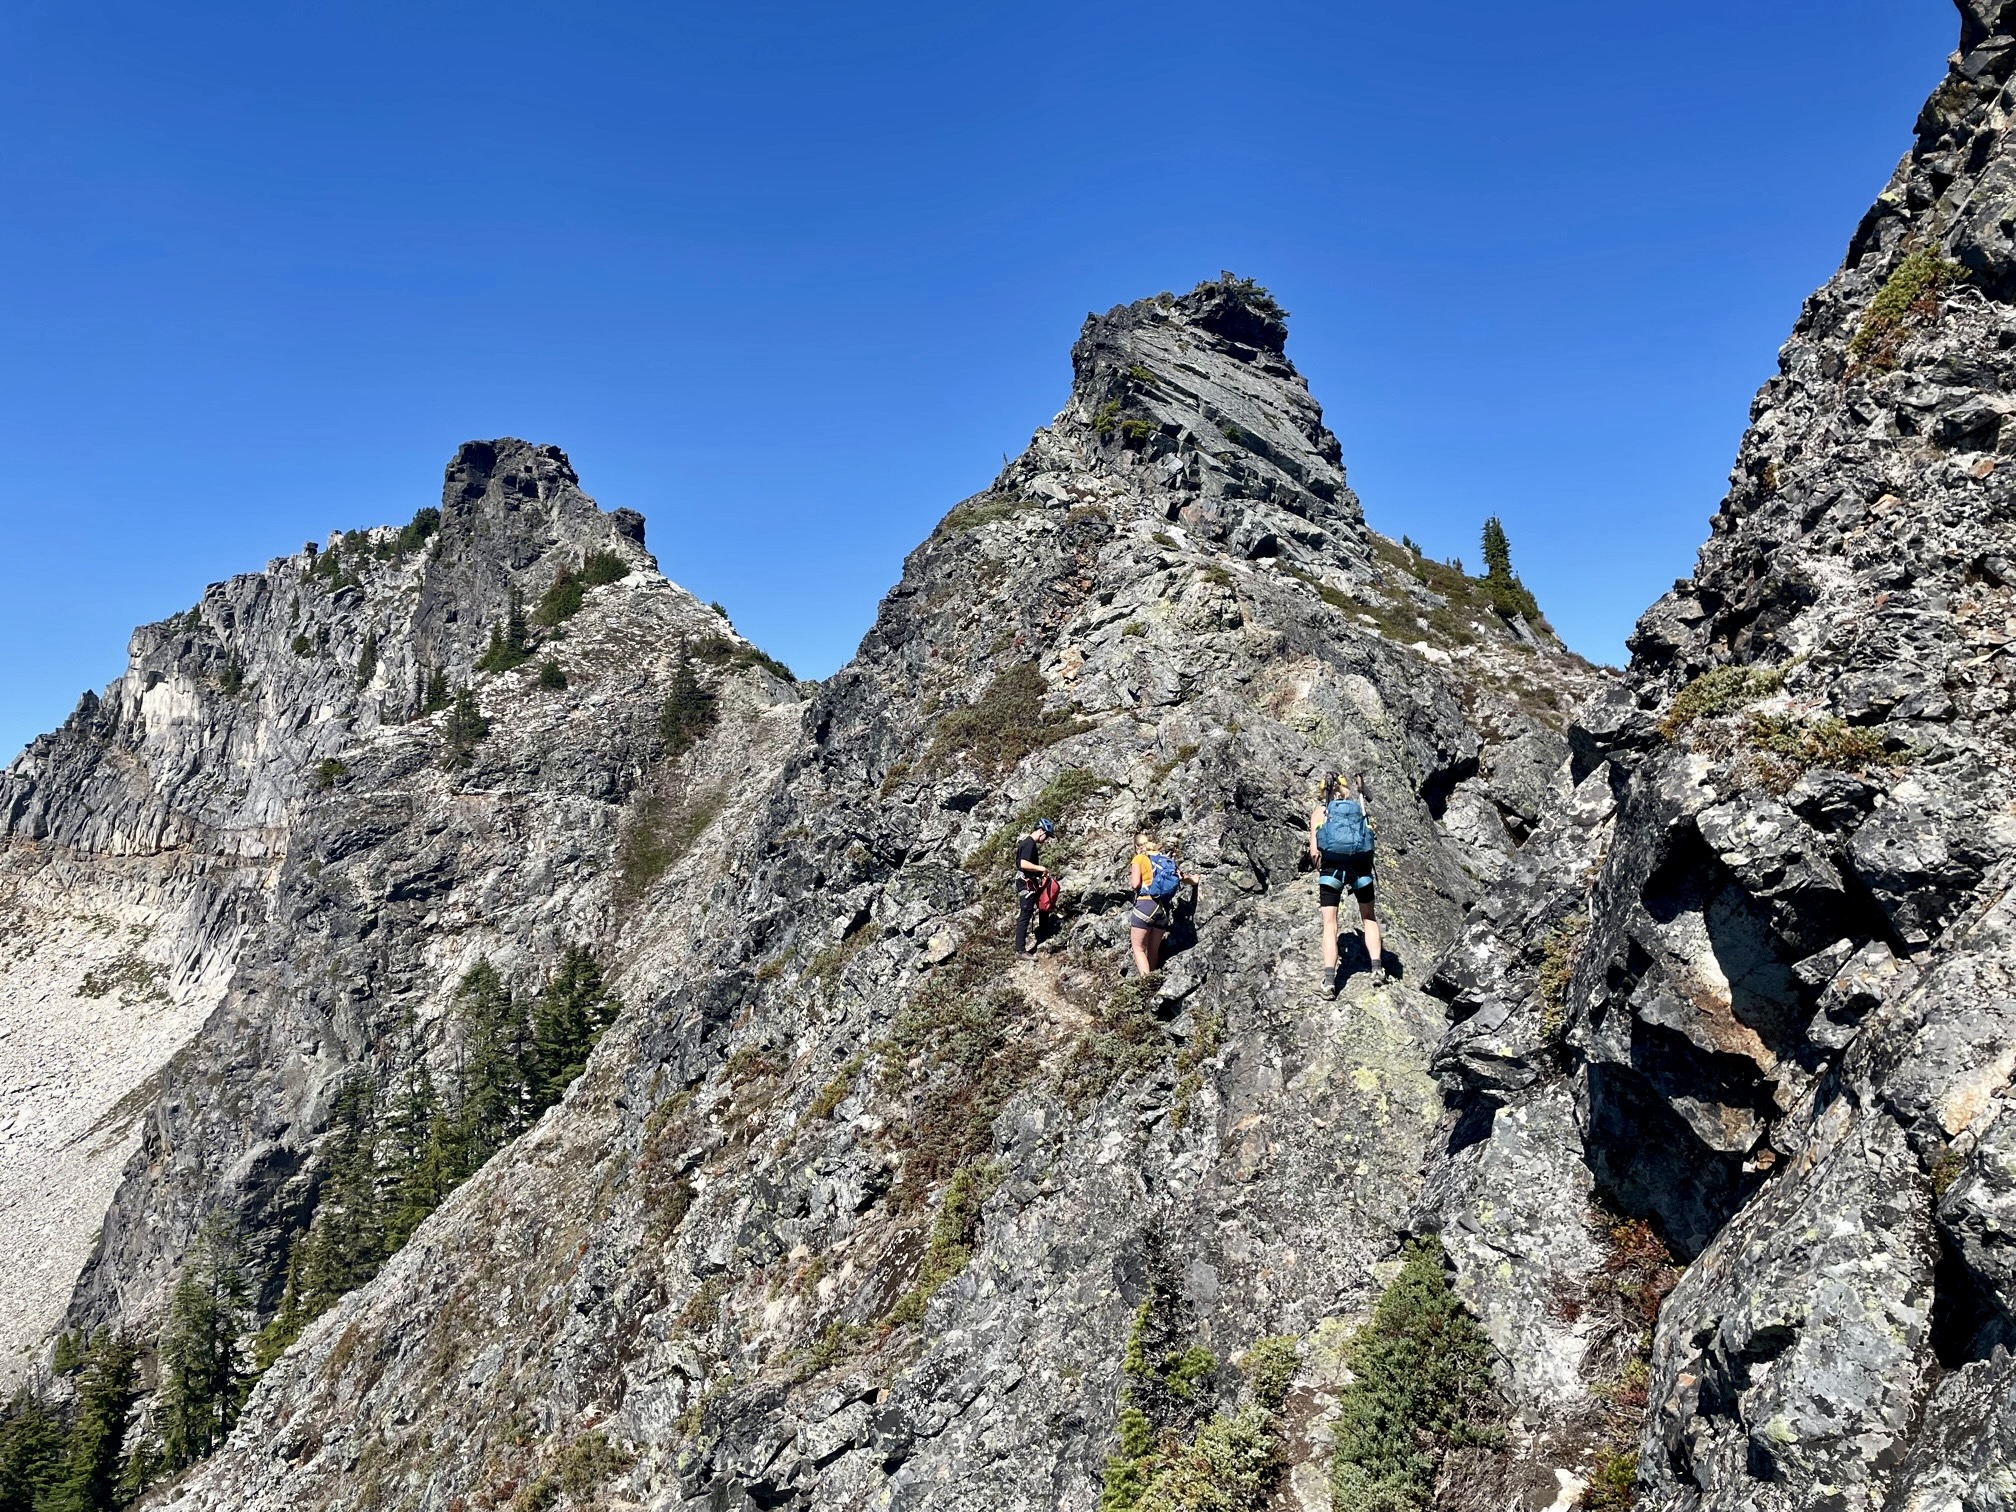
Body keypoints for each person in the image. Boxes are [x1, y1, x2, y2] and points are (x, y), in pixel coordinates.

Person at [1309, 773, 1383, 996]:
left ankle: (1330, 981)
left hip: (1331, 870)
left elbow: (1314, 851)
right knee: (1368, 917)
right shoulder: (1358, 809)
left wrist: (1322, 866)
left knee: (1330, 924)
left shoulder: (1321, 812)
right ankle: (1377, 969)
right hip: (1361, 869)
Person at [1127, 832, 1199, 976]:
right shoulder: (1165, 859)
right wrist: (1194, 880)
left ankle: (1146, 981)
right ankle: (1154, 978)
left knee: (1139, 948)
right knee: (1153, 950)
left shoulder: (1139, 858)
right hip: (1163, 910)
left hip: (1145, 905)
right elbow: (1182, 876)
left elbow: (1135, 884)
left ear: (1136, 846)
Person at [1013, 819, 1055, 956]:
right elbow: (1023, 864)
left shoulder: (1028, 843)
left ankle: (1044, 931)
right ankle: (1020, 950)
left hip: (1029, 882)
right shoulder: (1029, 843)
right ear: (1041, 831)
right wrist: (1040, 868)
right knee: (1025, 914)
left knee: (1041, 906)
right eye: (1047, 835)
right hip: (1026, 883)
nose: (1046, 839)